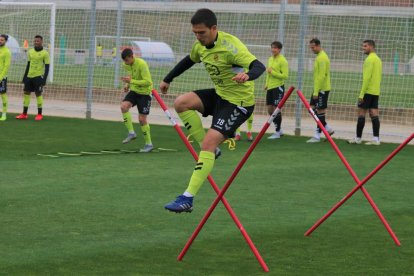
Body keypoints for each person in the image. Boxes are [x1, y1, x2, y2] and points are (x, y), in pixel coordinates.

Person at [160, 8, 265, 213]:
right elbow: (189, 60)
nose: (198, 37)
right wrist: (168, 78)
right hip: (220, 95)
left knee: (208, 143)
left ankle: (187, 198)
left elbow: (258, 65)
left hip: (239, 103)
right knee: (181, 103)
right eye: (195, 33)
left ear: (214, 28)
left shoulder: (231, 47)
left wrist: (248, 76)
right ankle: (211, 150)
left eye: (202, 33)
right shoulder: (201, 46)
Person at [348, 40, 382, 145]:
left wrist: (361, 94)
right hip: (375, 91)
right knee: (374, 114)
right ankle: (376, 139)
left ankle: (358, 138)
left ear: (371, 47)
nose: (363, 48)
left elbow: (366, 78)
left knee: (361, 114)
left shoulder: (369, 60)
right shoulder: (378, 59)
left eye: (365, 46)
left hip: (367, 91)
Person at [120, 48, 154, 153]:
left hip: (145, 94)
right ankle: (131, 133)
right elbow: (131, 74)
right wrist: (127, 84)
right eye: (124, 61)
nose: (125, 63)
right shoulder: (127, 64)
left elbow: (148, 82)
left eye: (126, 60)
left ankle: (149, 144)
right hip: (134, 91)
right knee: (123, 107)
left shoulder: (142, 64)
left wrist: (131, 81)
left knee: (142, 119)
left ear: (132, 57)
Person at [307, 38, 334, 143]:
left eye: (313, 47)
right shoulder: (319, 56)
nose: (312, 49)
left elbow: (322, 76)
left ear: (318, 46)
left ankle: (317, 135)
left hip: (322, 89)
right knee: (312, 109)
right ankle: (327, 128)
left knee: (320, 111)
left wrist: (316, 92)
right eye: (310, 47)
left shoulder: (322, 58)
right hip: (318, 88)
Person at [16, 35, 50, 121]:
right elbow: (28, 65)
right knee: (26, 93)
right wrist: (25, 77)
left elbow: (47, 67)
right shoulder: (30, 51)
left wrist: (44, 79)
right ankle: (24, 114)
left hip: (38, 77)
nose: (36, 42)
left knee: (38, 94)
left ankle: (39, 114)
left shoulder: (45, 53)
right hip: (29, 77)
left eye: (38, 41)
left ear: (41, 42)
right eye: (35, 41)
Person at [265, 41, 289, 139]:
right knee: (270, 109)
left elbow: (285, 76)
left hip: (278, 87)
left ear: (279, 49)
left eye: (275, 48)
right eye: (272, 47)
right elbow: (268, 73)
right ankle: (279, 129)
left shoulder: (283, 61)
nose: (273, 50)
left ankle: (277, 131)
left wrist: (273, 72)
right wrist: (266, 84)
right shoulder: (270, 59)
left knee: (276, 109)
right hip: (270, 87)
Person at [0, 34, 12, 121]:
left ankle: (4, 114)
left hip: (2, 77)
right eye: (0, 39)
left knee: (3, 95)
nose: (0, 41)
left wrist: (0, 77)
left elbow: (6, 66)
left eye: (2, 40)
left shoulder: (7, 51)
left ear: (5, 41)